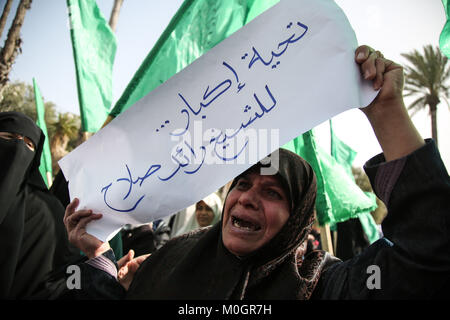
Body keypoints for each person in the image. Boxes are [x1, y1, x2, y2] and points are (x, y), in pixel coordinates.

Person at [42, 45, 450, 299]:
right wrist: (99, 260)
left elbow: (430, 258)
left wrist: (387, 113)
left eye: (273, 193)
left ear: (298, 221)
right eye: (243, 184)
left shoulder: (322, 285)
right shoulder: (167, 262)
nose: (249, 197)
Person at [0, 111, 80, 299]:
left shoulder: (48, 213)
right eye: (9, 137)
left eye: (28, 144)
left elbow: (60, 280)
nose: (18, 148)